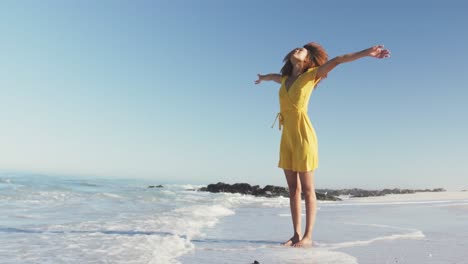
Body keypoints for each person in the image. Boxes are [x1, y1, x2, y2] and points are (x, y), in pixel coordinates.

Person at [254, 43, 390, 247]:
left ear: (309, 59)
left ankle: (308, 236)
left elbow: (338, 60)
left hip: (304, 134)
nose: (296, 49)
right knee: (292, 189)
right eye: (295, 48)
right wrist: (263, 77)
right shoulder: (284, 80)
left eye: (302, 49)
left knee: (308, 189)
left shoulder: (312, 75)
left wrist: (366, 53)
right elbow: (274, 76)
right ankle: (296, 235)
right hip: (287, 137)